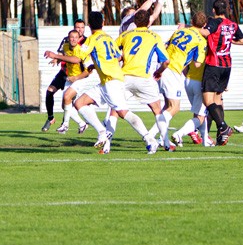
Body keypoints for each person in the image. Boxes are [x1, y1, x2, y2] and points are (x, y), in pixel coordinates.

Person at [45, 11, 158, 155]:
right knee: (79, 103)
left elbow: (77, 59)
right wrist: (97, 65)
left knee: (123, 113)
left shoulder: (92, 39)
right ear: (103, 23)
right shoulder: (109, 38)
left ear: (89, 25)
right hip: (108, 81)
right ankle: (102, 131)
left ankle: (149, 139)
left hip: (112, 82)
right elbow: (119, 56)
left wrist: (55, 55)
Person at [117, 9, 173, 150]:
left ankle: (107, 144)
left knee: (118, 110)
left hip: (125, 78)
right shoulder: (154, 36)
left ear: (135, 22)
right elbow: (166, 61)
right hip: (144, 78)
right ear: (149, 21)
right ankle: (166, 143)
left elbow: (112, 51)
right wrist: (159, 72)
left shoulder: (125, 35)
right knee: (157, 110)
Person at [159, 12, 210, 147]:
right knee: (176, 109)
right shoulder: (200, 40)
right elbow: (198, 64)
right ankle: (157, 136)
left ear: (192, 21)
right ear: (204, 25)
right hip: (177, 72)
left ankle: (205, 140)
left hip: (168, 69)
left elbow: (165, 46)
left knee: (168, 106)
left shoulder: (178, 32)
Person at [200, 0, 243, 146]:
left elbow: (204, 32)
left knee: (208, 101)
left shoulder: (214, 22)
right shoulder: (233, 24)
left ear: (214, 10)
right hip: (227, 65)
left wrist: (192, 28)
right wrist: (232, 41)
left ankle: (223, 127)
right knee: (218, 99)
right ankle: (221, 136)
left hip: (214, 63)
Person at [42, 19, 87, 131]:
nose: (79, 30)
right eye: (77, 27)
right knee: (50, 92)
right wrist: (55, 59)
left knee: (68, 99)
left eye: (82, 28)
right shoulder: (67, 42)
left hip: (78, 76)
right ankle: (51, 118)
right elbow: (62, 53)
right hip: (65, 73)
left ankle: (65, 124)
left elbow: (77, 59)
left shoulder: (86, 43)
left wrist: (56, 56)